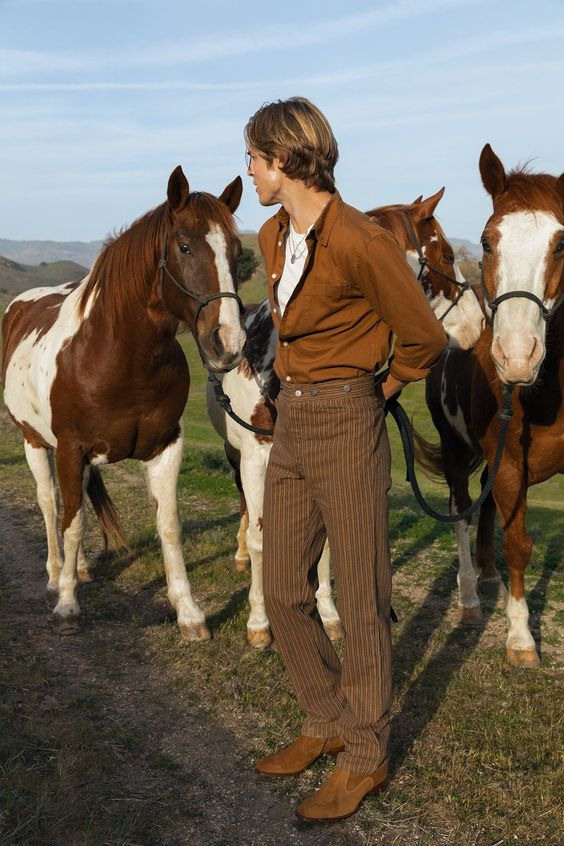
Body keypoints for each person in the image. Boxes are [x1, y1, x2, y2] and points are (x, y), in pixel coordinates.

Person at [244, 97, 447, 823]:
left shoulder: (362, 241)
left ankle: (366, 753)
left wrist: (378, 387)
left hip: (348, 417)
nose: (250, 173)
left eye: (255, 160)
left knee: (361, 599)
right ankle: (326, 715)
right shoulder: (273, 234)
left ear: (288, 161)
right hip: (292, 418)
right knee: (280, 583)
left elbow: (424, 338)